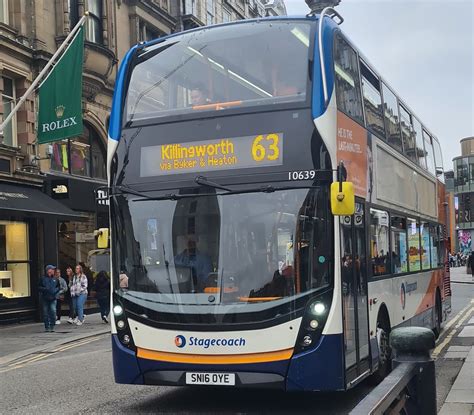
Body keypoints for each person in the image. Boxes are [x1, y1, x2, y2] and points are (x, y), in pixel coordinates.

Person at [38, 265, 59, 332]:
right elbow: (39, 287)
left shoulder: (55, 279)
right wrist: (45, 289)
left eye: (53, 269)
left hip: (53, 298)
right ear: (48, 270)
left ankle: (52, 325)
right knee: (45, 313)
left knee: (53, 311)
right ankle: (47, 327)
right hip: (45, 298)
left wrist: (55, 291)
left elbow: (58, 287)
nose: (53, 270)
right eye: (52, 269)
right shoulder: (43, 279)